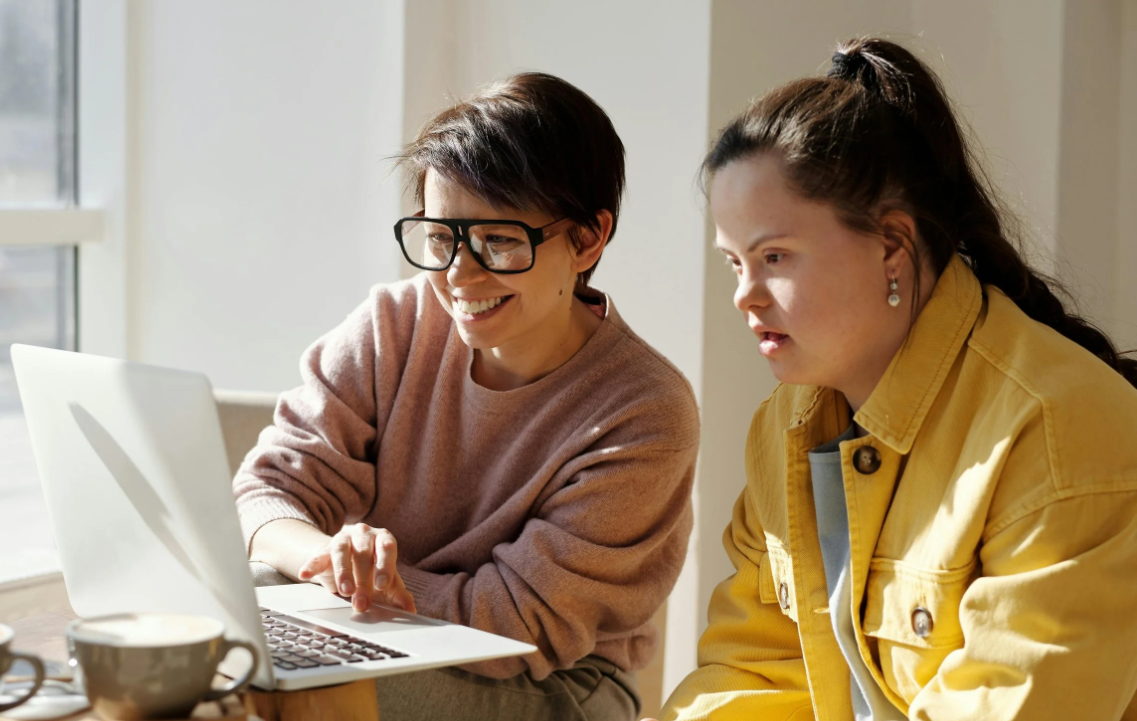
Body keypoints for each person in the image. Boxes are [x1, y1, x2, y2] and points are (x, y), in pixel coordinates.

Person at [652, 38, 1137, 721]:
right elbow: (754, 671)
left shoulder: (1057, 429)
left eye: (774, 257)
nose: (745, 294)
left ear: (889, 245)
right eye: (735, 263)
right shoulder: (785, 427)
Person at [233, 72, 700, 721]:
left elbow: (521, 621)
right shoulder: (391, 326)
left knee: (295, 687)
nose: (458, 274)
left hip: (553, 682)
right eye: (439, 238)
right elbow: (265, 495)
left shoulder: (642, 409)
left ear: (587, 239)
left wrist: (379, 589)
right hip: (369, 627)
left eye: (499, 241)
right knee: (190, 638)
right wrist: (326, 559)